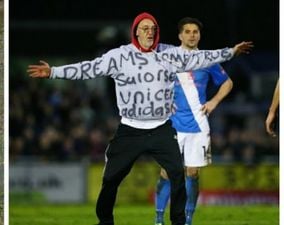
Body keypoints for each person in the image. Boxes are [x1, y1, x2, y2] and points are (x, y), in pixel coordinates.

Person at [27, 12, 252, 225]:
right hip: (130, 129)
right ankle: (105, 221)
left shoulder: (168, 55)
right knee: (111, 179)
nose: (149, 32)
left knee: (177, 174)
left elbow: (203, 57)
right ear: (136, 32)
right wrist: (54, 72)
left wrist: (231, 51)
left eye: (153, 29)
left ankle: (178, 222)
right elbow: (89, 68)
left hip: (162, 128)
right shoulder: (119, 56)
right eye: (145, 29)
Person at [153, 17, 234, 225]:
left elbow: (228, 83)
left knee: (193, 173)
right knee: (167, 172)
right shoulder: (168, 56)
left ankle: (188, 220)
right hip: (171, 124)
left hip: (198, 125)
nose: (191, 35)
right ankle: (159, 219)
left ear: (199, 35)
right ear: (180, 35)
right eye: (187, 31)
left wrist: (214, 101)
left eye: (195, 32)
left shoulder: (207, 60)